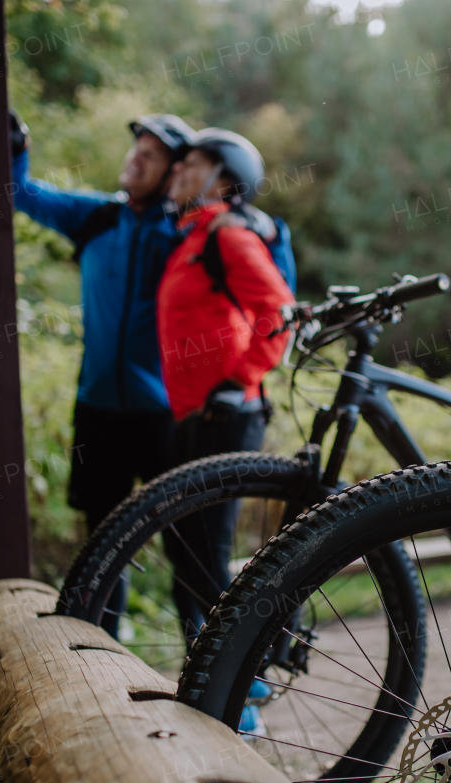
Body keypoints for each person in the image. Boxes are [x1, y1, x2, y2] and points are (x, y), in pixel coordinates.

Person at [8, 112, 295, 639]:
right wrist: (14, 145)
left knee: (189, 549)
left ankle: (218, 675)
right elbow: (20, 193)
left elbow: (275, 297)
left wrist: (270, 230)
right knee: (104, 542)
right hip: (98, 408)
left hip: (170, 413)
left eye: (156, 155)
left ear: (175, 175)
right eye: (135, 147)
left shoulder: (191, 231)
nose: (137, 157)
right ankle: (101, 658)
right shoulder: (97, 217)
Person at [155, 129, 295, 651]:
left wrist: (238, 381)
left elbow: (279, 315)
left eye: (189, 165)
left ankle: (254, 665)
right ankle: (212, 667)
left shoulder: (228, 236)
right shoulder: (190, 240)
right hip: (192, 415)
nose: (177, 173)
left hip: (229, 411)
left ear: (222, 179)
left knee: (207, 550)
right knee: (185, 550)